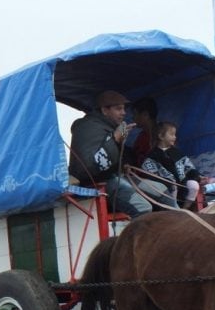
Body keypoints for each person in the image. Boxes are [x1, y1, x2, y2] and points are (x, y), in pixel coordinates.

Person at [69, 90, 169, 219]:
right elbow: (88, 168)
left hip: (119, 177)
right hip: (100, 184)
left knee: (163, 191)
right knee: (143, 208)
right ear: (105, 110)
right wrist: (115, 138)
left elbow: (118, 155)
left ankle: (179, 230)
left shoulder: (108, 127)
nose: (124, 113)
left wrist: (125, 163)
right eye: (118, 109)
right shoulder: (88, 128)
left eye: (123, 109)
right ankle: (136, 239)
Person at [142, 122, 201, 210]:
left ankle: (185, 209)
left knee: (194, 185)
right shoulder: (152, 155)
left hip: (182, 184)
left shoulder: (177, 152)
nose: (175, 137)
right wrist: (169, 182)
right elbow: (150, 173)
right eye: (172, 134)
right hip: (167, 187)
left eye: (175, 134)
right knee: (173, 188)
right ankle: (173, 210)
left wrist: (196, 176)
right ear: (161, 136)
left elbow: (188, 167)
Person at [131, 97, 158, 167]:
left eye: (135, 114)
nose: (133, 118)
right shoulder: (142, 136)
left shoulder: (162, 135)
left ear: (145, 115)